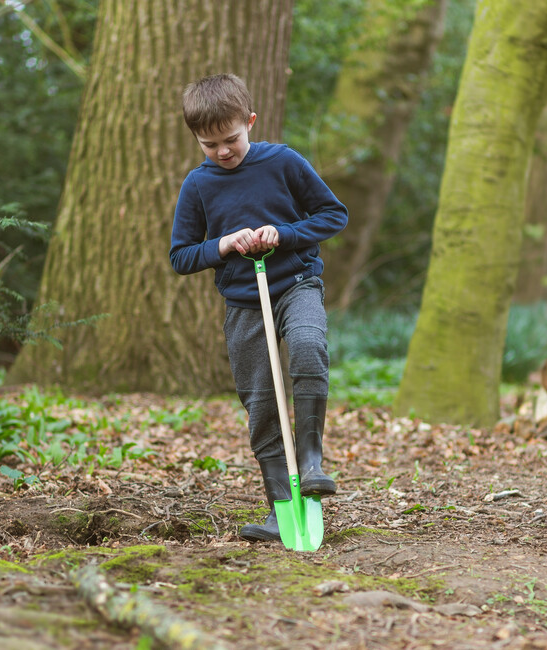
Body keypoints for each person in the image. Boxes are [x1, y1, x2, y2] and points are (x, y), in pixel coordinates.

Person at [169, 73, 348, 542]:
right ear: (196, 139)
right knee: (261, 402)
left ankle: (311, 463)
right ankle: (282, 511)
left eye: (231, 139)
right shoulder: (198, 185)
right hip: (245, 302)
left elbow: (334, 214)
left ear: (250, 121)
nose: (223, 152)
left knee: (309, 346)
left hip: (297, 283)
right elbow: (181, 255)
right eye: (210, 145)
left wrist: (284, 233)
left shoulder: (283, 162)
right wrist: (223, 244)